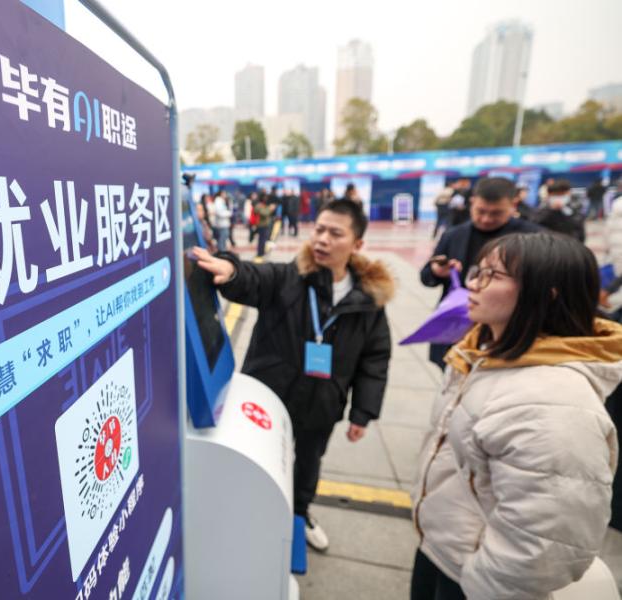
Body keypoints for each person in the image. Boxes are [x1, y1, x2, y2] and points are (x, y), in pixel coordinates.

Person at [410, 232, 622, 600]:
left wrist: (479, 582)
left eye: (492, 275)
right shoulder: (484, 350)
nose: (473, 283)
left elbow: (543, 545)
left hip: (474, 578)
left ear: (547, 293)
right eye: (477, 271)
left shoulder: (554, 403)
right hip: (444, 548)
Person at [191, 199, 393, 553]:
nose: (322, 239)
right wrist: (231, 269)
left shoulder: (368, 300)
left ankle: (299, 515)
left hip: (322, 404)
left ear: (357, 243)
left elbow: (374, 358)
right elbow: (254, 278)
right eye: (319, 229)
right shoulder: (288, 278)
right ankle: (249, 520)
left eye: (335, 233)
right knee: (259, 463)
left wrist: (363, 412)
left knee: (308, 465)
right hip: (270, 398)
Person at [421, 177, 540, 368]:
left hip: (508, 329)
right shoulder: (454, 235)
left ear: (513, 205)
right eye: (480, 211)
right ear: (472, 202)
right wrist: (438, 271)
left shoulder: (533, 239)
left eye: (496, 213)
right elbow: (427, 276)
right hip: (457, 327)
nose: (486, 219)